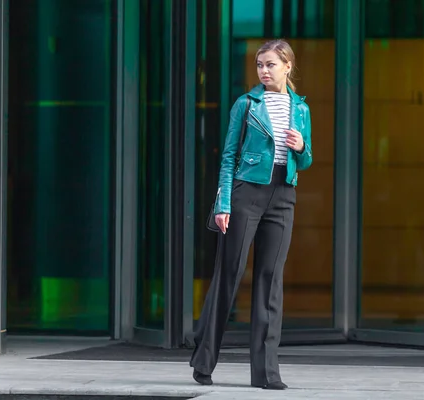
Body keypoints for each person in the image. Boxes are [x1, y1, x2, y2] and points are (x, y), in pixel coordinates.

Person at [189, 39, 312, 390]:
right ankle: (203, 358)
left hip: (283, 195)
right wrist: (223, 204)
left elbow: (306, 159)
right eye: (260, 64)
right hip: (246, 194)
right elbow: (228, 157)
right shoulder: (246, 105)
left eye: (271, 64)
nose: (264, 70)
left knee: (270, 282)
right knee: (229, 274)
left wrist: (301, 147)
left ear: (288, 66)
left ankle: (267, 373)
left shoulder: (300, 109)